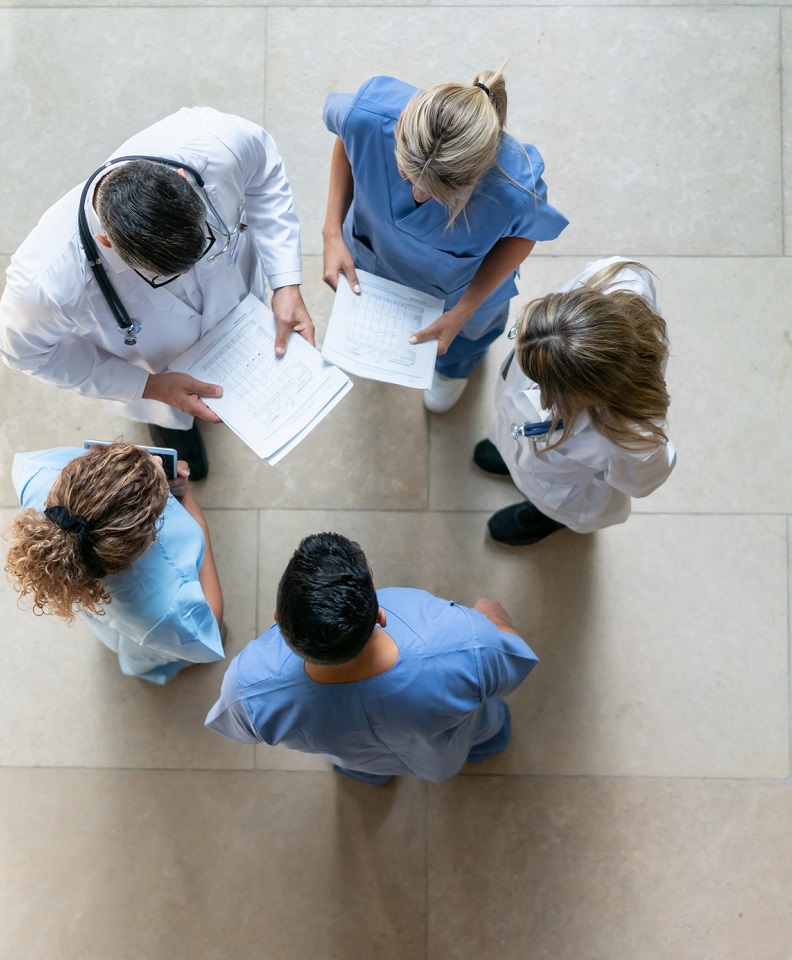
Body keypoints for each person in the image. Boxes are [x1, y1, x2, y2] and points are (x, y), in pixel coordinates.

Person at [0, 108, 315, 480]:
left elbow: (265, 172)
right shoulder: (45, 283)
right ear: (106, 242)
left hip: (238, 310)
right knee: (174, 424)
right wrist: (147, 385)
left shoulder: (213, 141)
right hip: (156, 369)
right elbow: (24, 353)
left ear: (184, 181)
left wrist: (286, 281)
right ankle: (174, 430)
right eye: (163, 276)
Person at [321, 66, 568, 413]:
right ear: (400, 124)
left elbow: (525, 234)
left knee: (463, 342)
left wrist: (464, 311)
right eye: (407, 175)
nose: (419, 196)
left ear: (481, 174)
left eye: (439, 192)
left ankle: (453, 371)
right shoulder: (369, 115)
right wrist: (331, 231)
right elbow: (348, 139)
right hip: (373, 252)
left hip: (463, 293)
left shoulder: (513, 188)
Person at [204, 532, 536, 784]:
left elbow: (237, 729)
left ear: (278, 617)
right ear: (379, 615)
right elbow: (513, 665)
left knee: (363, 769)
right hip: (441, 756)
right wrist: (493, 618)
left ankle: (373, 779)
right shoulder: (466, 644)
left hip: (358, 759)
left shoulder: (247, 688)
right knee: (484, 733)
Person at [473, 257, 676, 546]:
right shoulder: (615, 279)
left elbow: (641, 482)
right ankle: (513, 456)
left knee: (553, 498)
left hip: (561, 490)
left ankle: (546, 517)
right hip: (528, 434)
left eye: (539, 382)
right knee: (517, 434)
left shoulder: (632, 440)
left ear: (573, 393)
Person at [6, 442, 225, 684]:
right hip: (145, 631)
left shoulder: (40, 473)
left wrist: (134, 473)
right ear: (146, 541)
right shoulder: (165, 609)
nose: (158, 460)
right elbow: (208, 626)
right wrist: (194, 513)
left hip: (111, 618)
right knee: (157, 652)